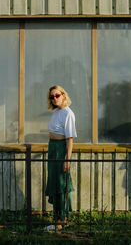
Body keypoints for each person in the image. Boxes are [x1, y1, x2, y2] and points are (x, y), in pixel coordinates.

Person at [45, 85, 77, 230]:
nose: (54, 99)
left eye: (57, 95)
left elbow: (70, 139)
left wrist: (67, 159)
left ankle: (62, 220)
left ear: (63, 95)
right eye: (52, 97)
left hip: (60, 149)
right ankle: (57, 218)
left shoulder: (67, 113)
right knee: (55, 183)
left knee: (61, 184)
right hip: (52, 148)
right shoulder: (56, 112)